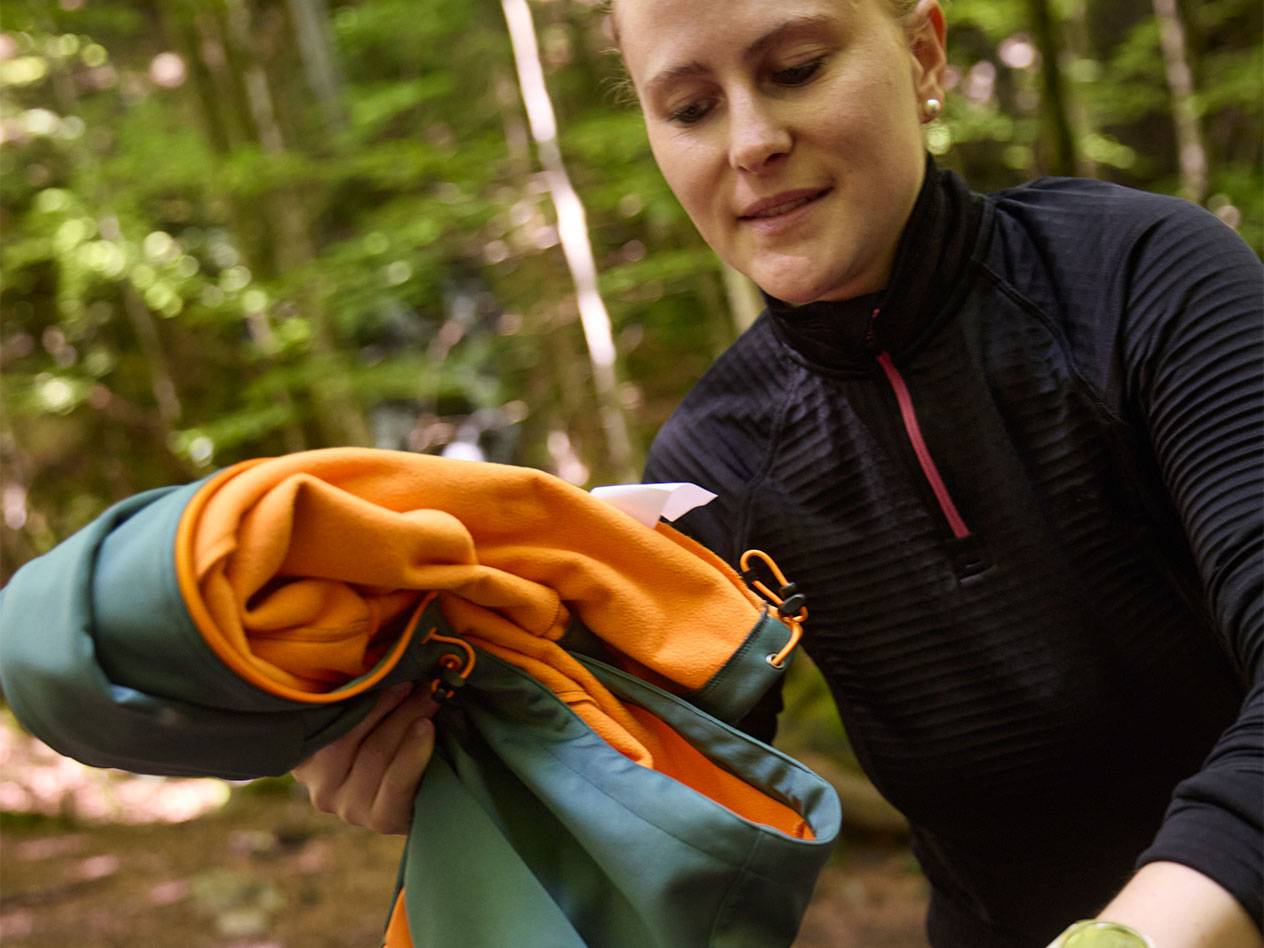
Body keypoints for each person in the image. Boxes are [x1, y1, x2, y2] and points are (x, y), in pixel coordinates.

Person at [292, 1, 1264, 946]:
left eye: (796, 70)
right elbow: (644, 806)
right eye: (690, 108)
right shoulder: (709, 469)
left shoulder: (1141, 278)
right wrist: (448, 766)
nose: (751, 142)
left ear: (923, 55)